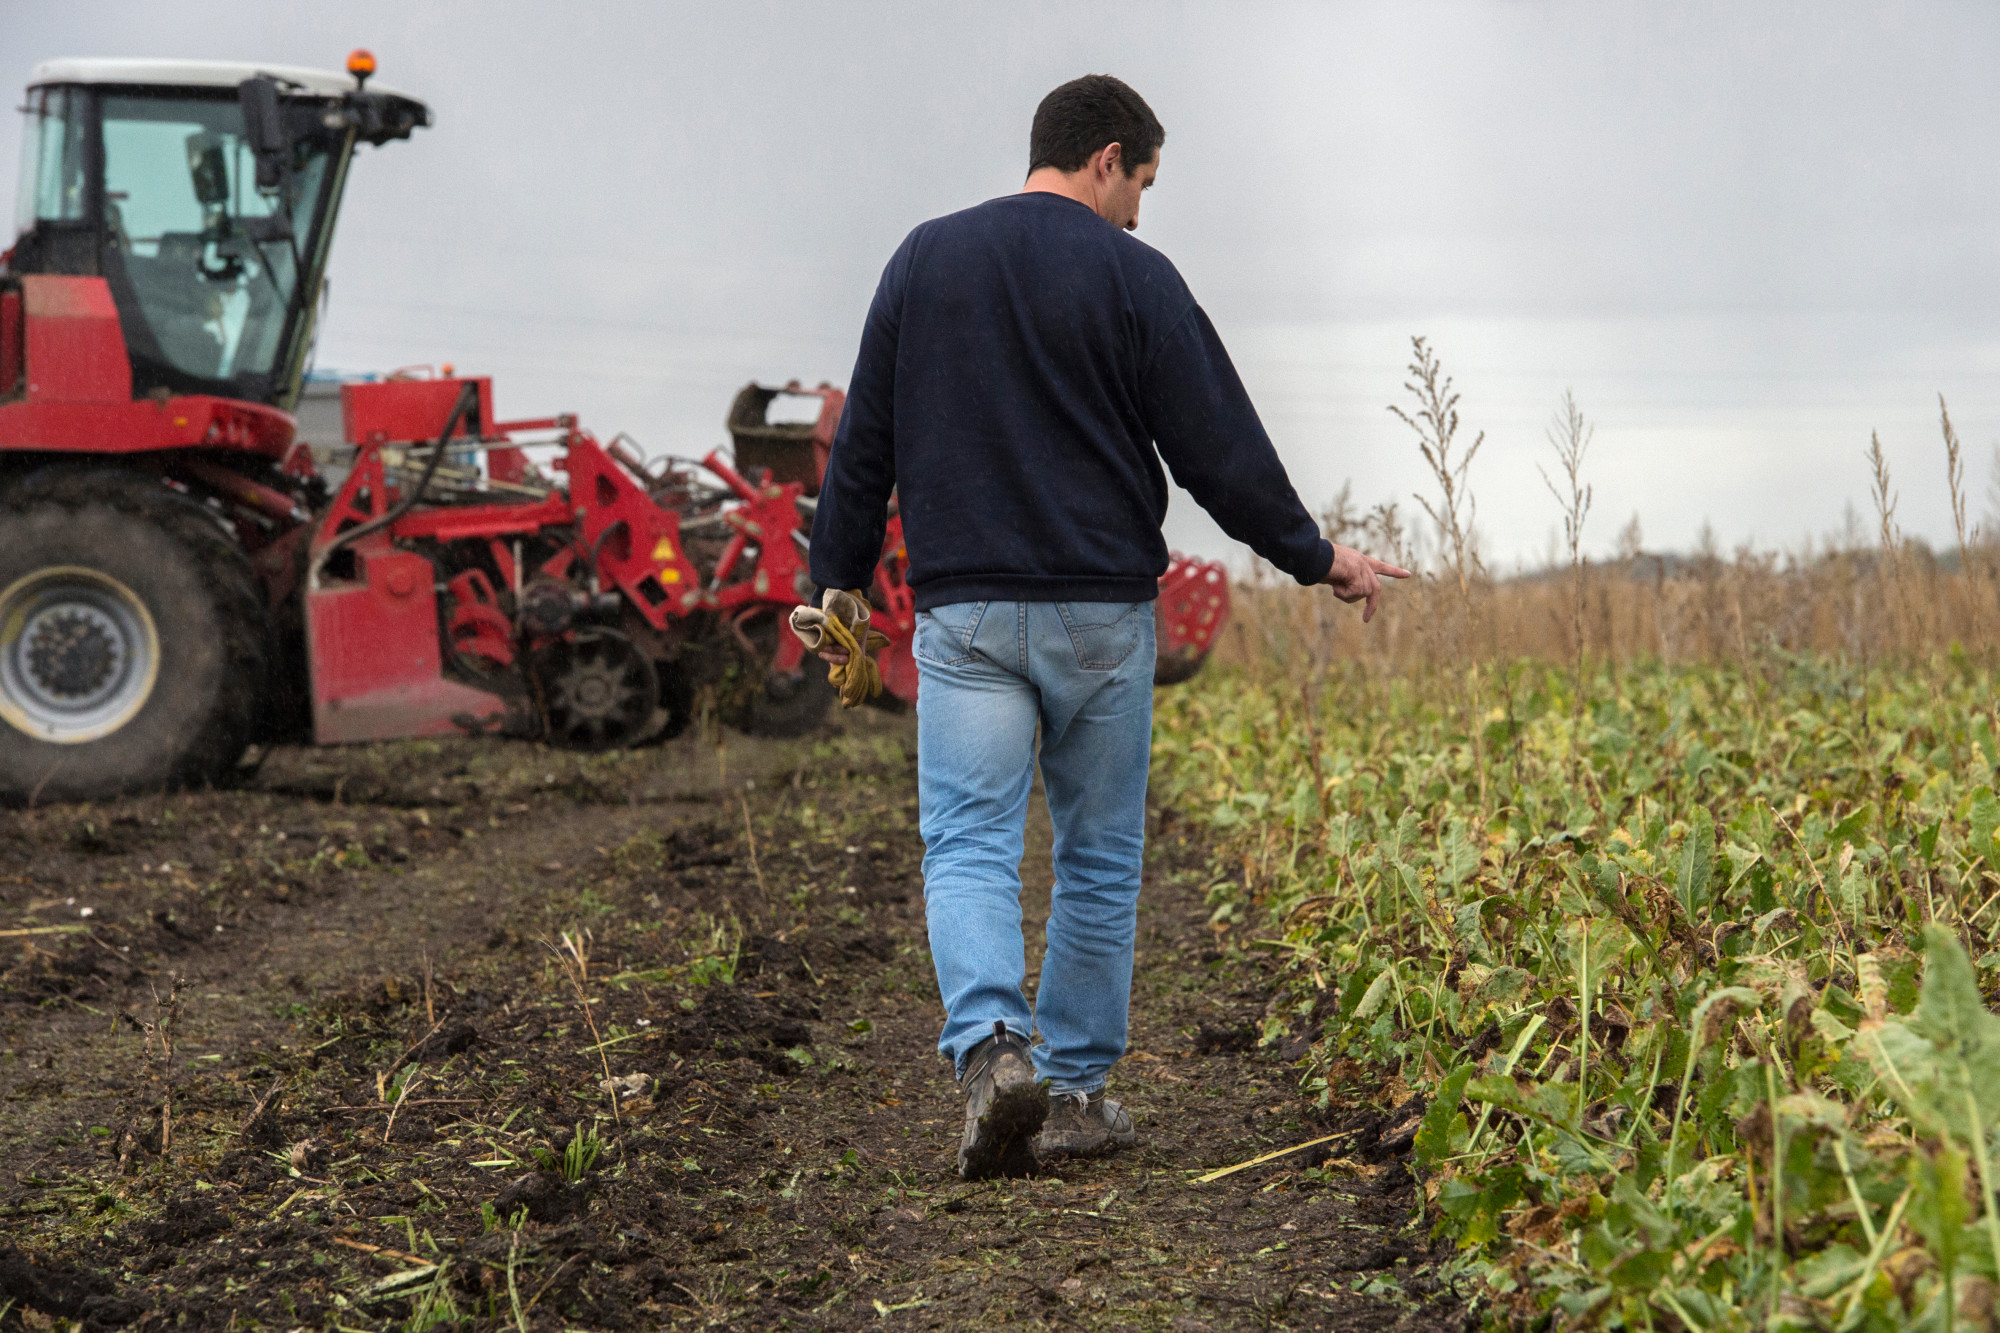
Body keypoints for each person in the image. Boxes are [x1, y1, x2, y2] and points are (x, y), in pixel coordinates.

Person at [806, 74, 1408, 1180]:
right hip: (1098, 614)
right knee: (1094, 853)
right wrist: (1317, 557)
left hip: (968, 612)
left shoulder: (922, 259)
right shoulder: (1135, 276)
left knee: (970, 841)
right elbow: (1217, 448)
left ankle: (992, 1052)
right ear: (1106, 158)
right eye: (1142, 183)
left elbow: (864, 447)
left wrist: (831, 580)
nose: (1141, 207)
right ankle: (1076, 1091)